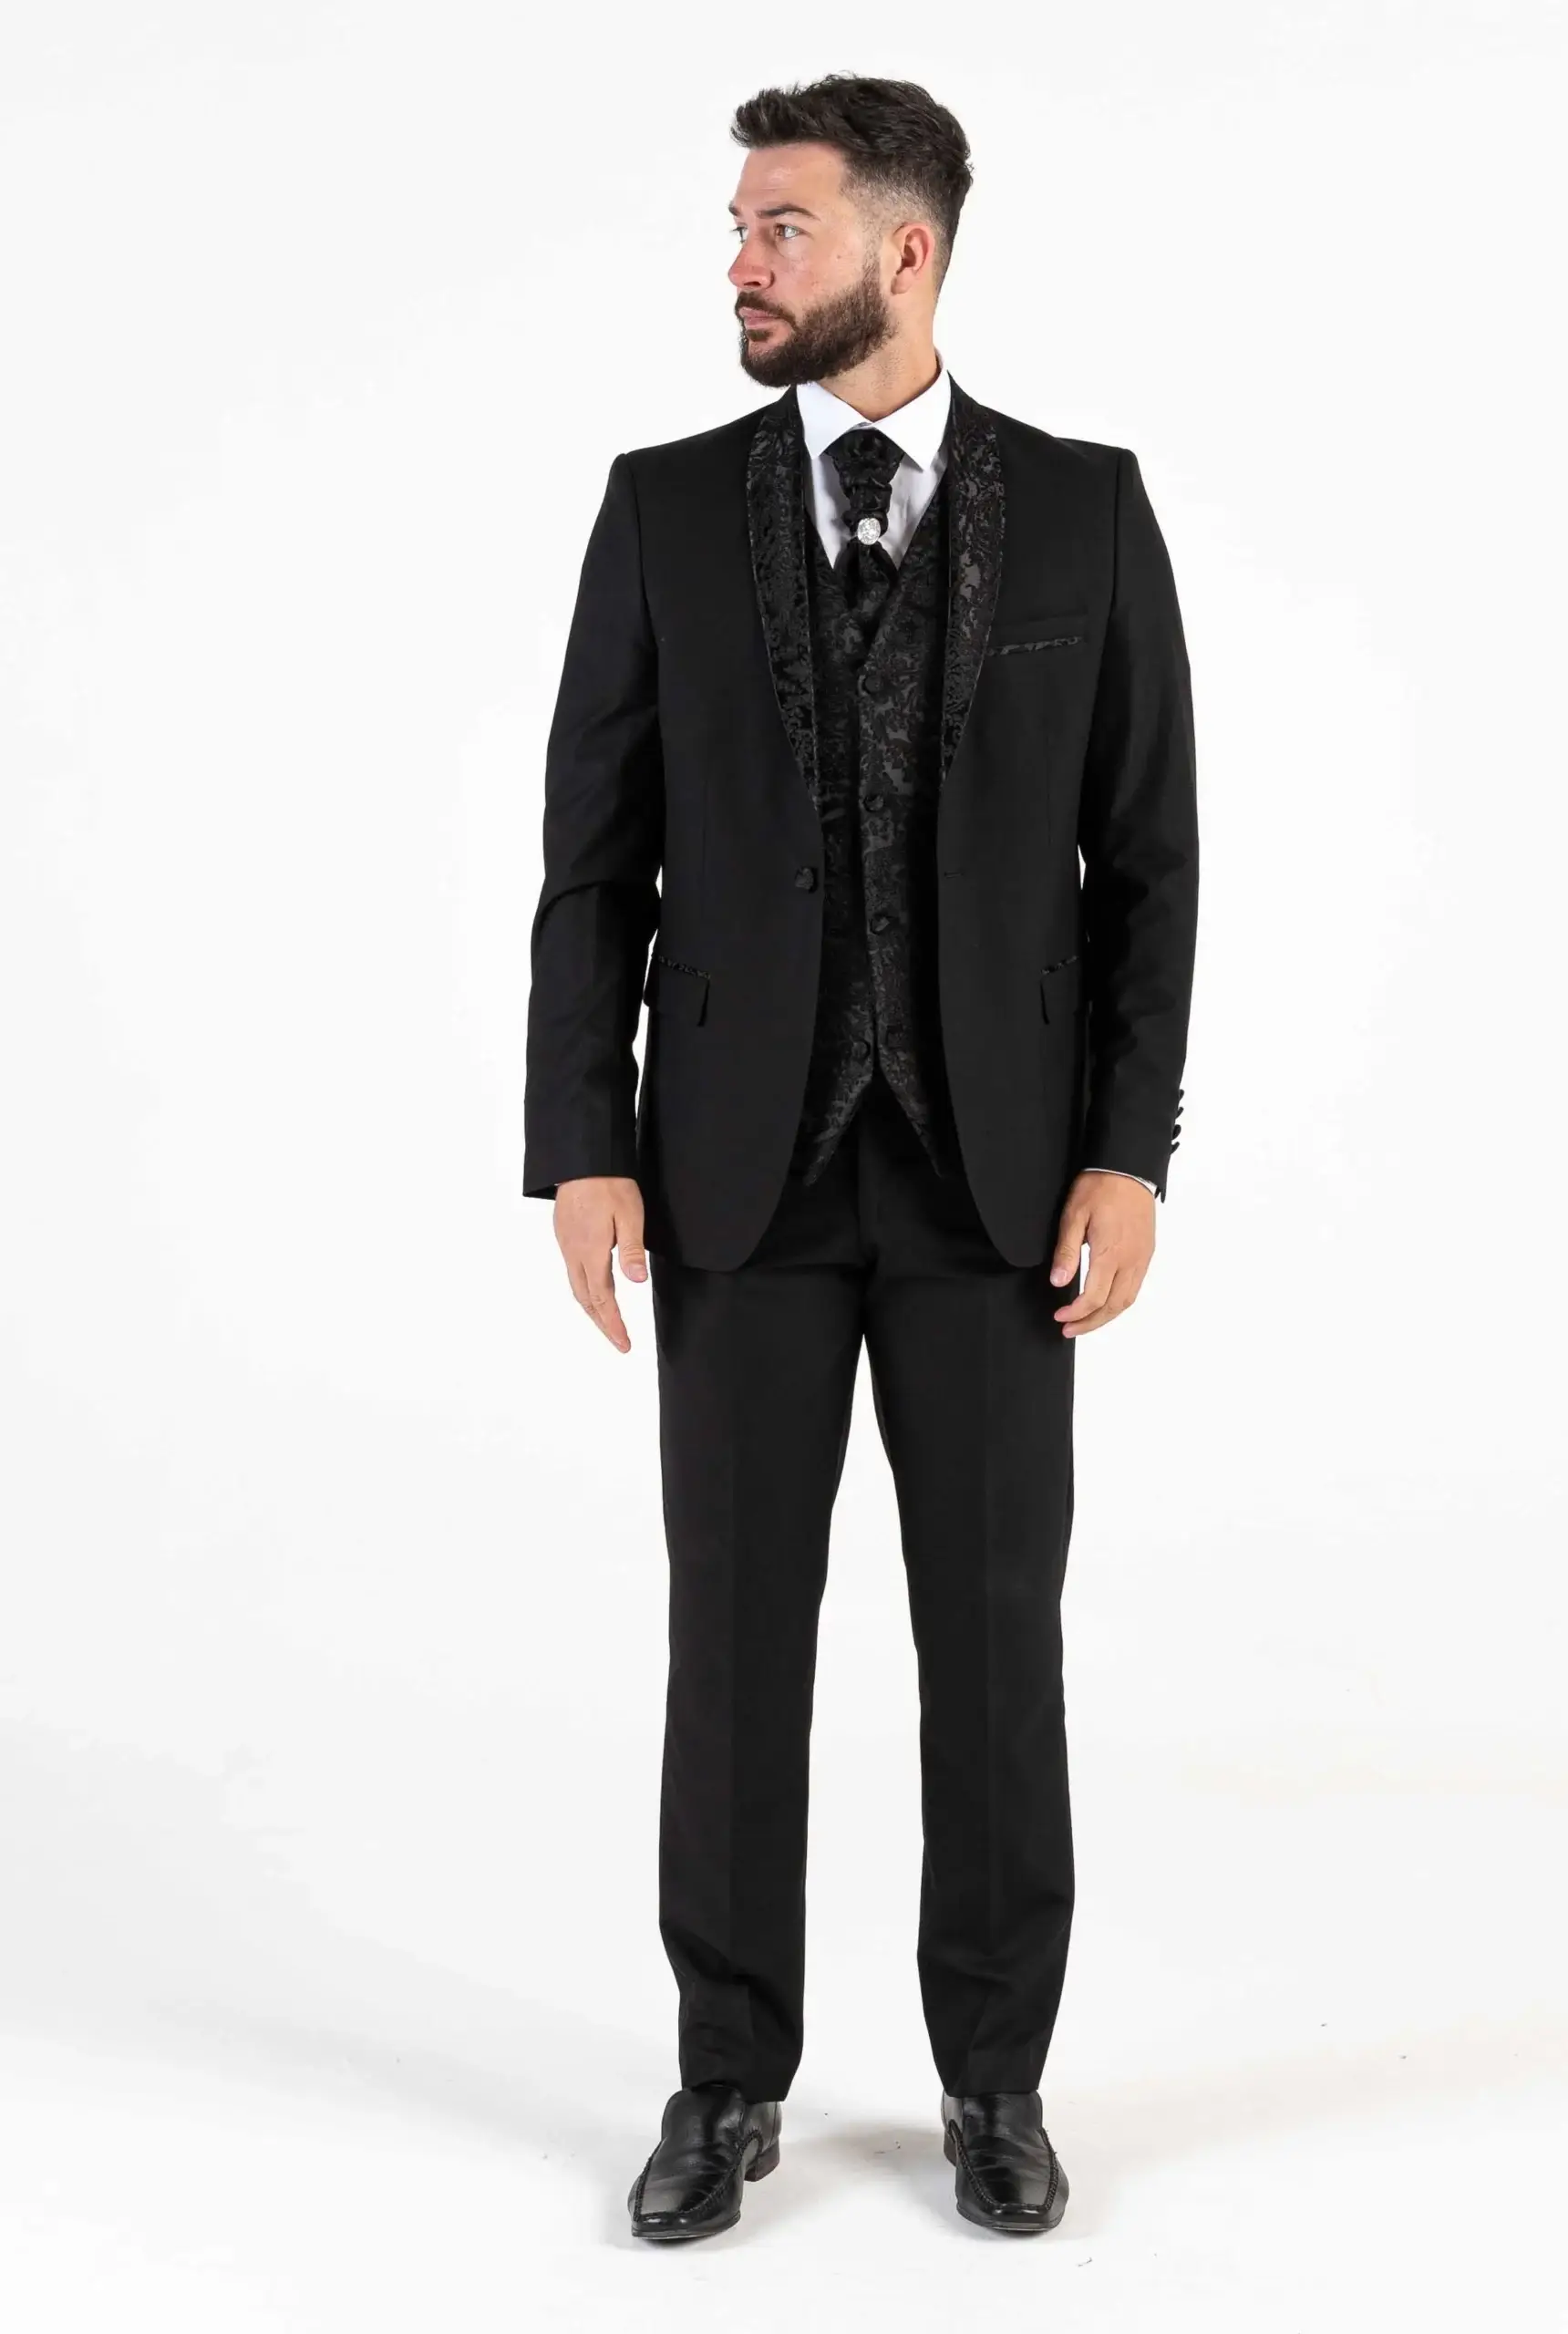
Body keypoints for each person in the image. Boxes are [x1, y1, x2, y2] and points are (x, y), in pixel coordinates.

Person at [522, 72, 1198, 2242]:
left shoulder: (1084, 510)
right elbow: (592, 862)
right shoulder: (659, 510)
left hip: (1001, 1187)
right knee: (735, 1638)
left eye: (780, 228)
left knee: (995, 1640)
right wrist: (583, 1143)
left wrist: (1128, 1152)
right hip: (738, 1174)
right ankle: (727, 2073)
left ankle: (995, 2076)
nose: (739, 262)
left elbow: (1150, 866)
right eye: (740, 227)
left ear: (905, 254)